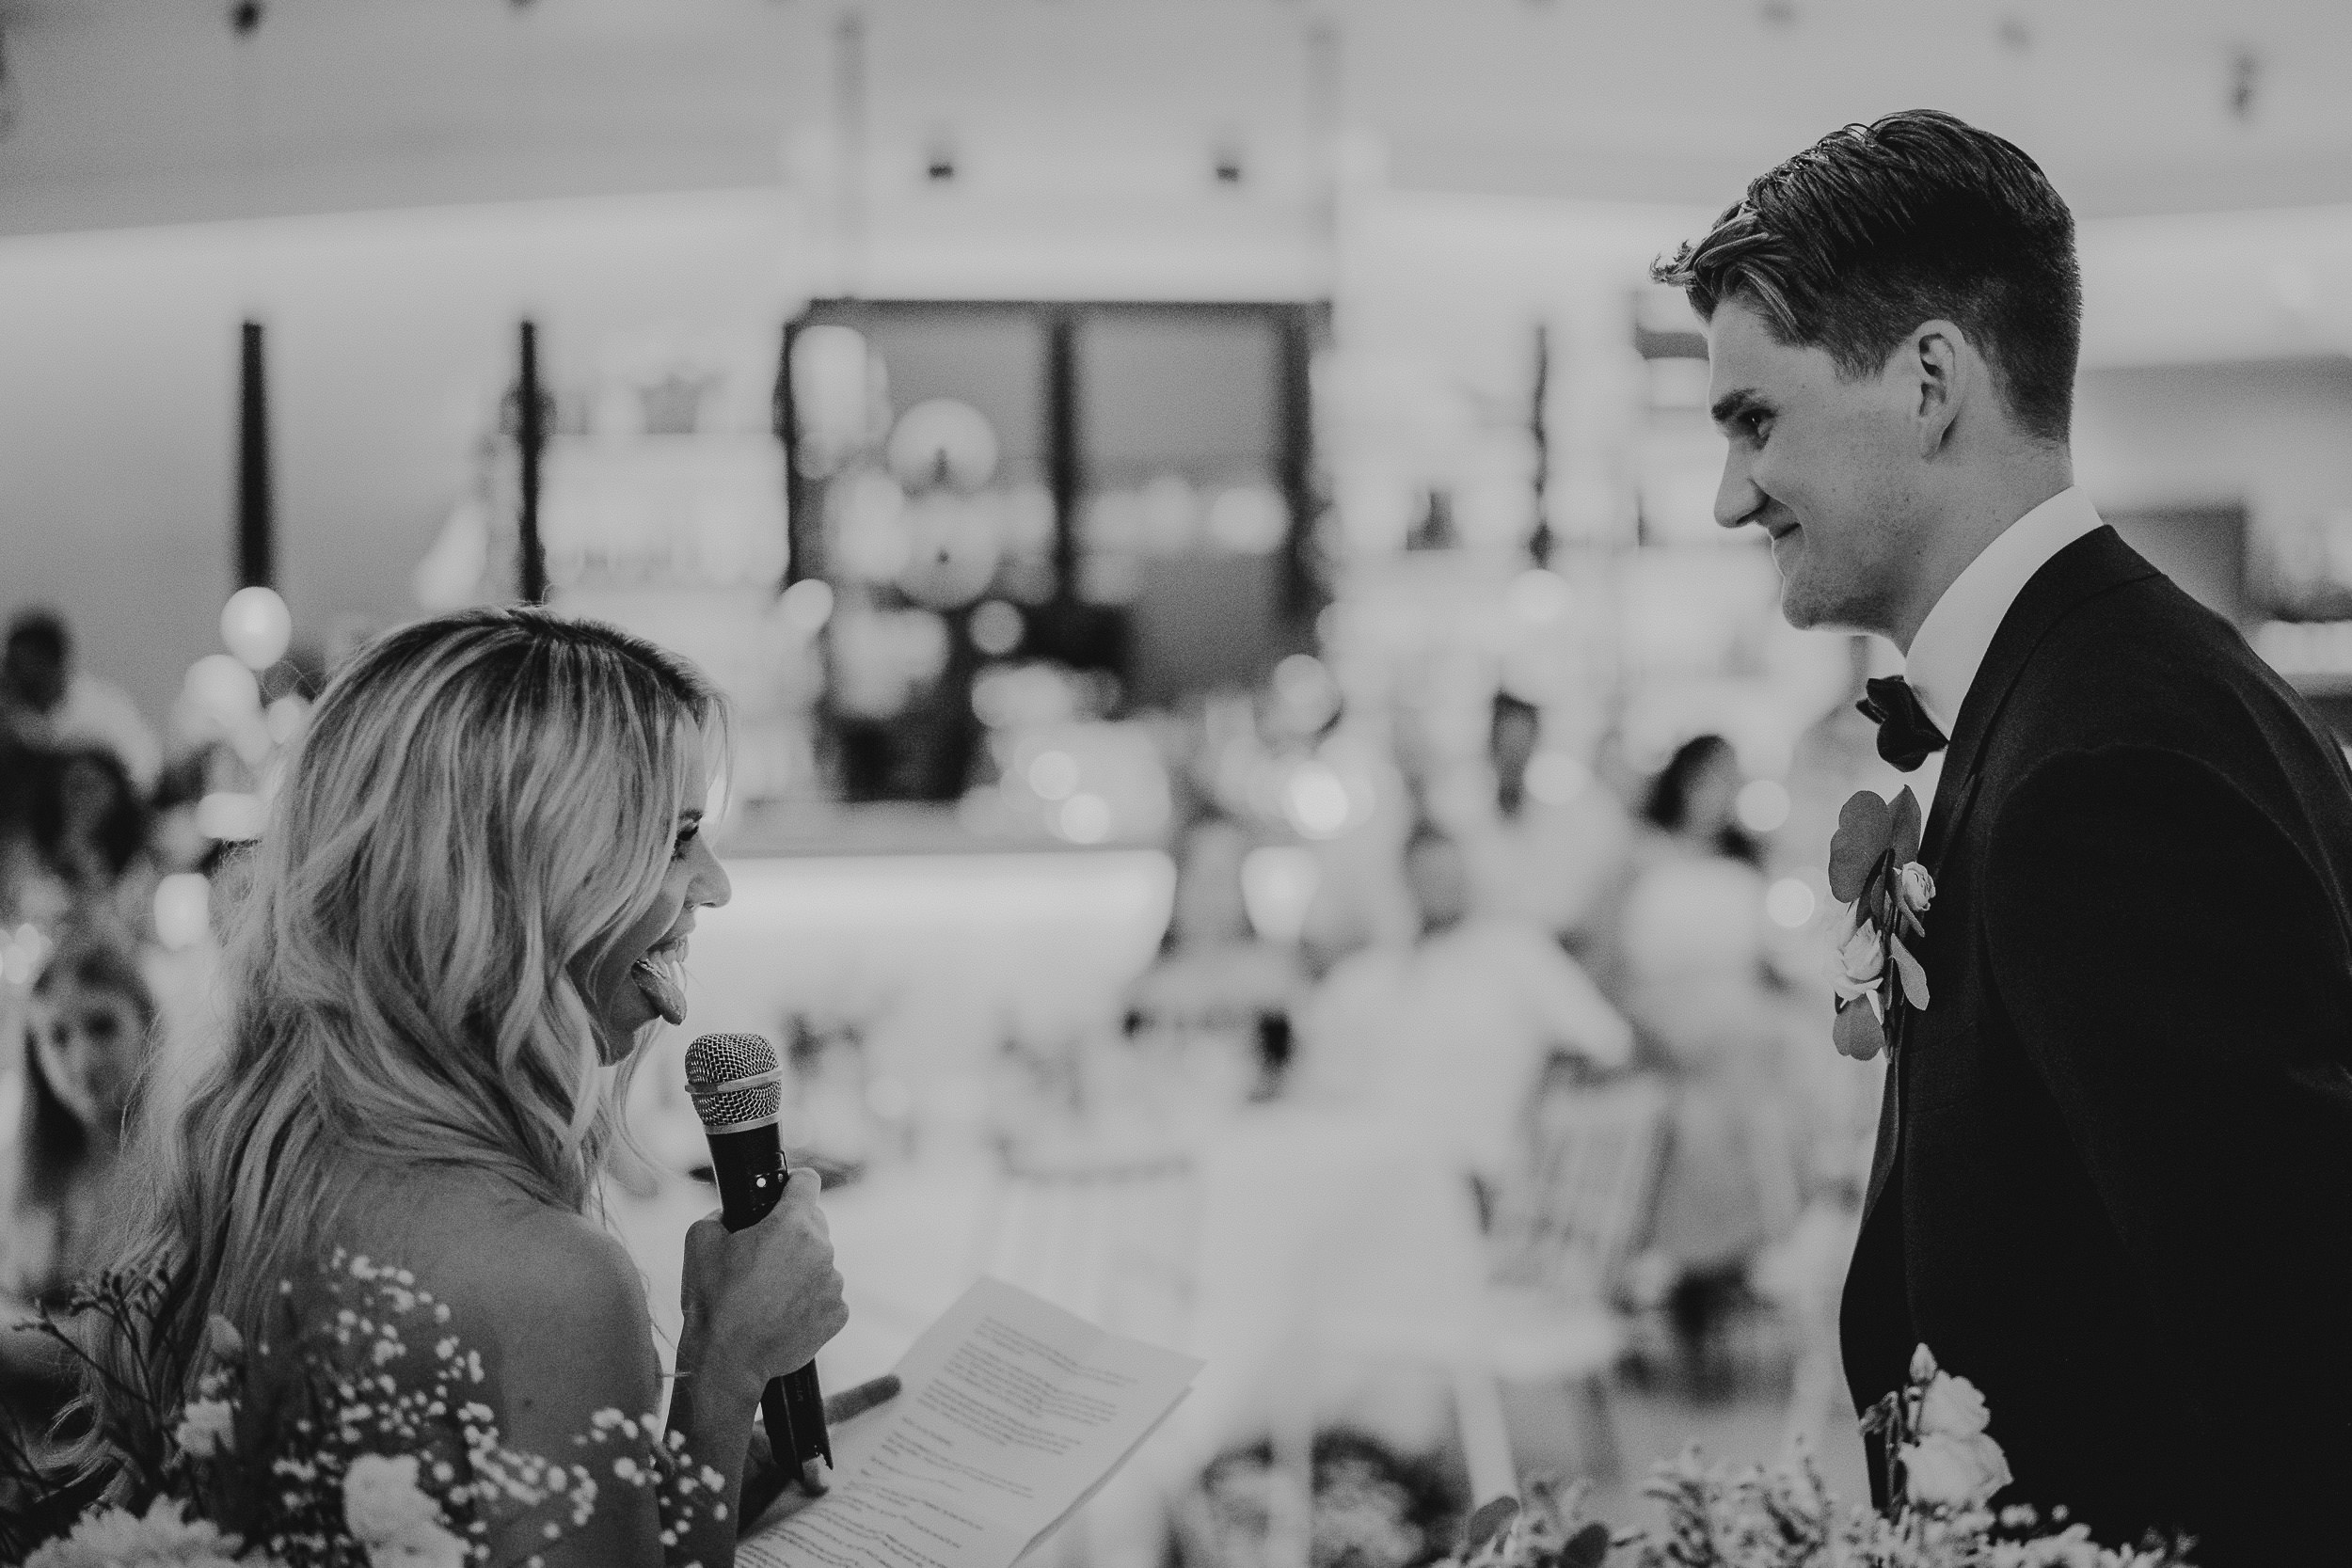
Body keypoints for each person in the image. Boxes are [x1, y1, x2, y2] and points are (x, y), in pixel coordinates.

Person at [1658, 109, 2352, 1562]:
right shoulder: (2093, 689)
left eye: (1754, 419)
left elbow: (2289, 1367)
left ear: (1928, 381)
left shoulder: (2104, 765)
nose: (1730, 495)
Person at [87, 609, 873, 1567]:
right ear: (530, 878)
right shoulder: (549, 1280)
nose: (714, 885)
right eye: (675, 839)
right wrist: (720, 1368)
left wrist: (679, 1481)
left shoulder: (243, 1179)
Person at [1296, 823, 1631, 1209]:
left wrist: (1548, 1108)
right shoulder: (1369, 977)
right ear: (1405, 882)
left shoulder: (1515, 951)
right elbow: (1319, 1084)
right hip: (1364, 1167)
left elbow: (1607, 1045)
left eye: (1449, 873)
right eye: (1428, 876)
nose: (1441, 886)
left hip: (1473, 1175)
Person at [1, 933, 160, 1425]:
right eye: (58, 1036)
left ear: (147, 1024)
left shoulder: (178, 1165)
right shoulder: (24, 1168)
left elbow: (144, 1344)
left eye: (101, 1026)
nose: (82, 1060)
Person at [1125, 812, 1308, 1099]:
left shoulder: (1277, 987)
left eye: (1225, 879)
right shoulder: (1145, 991)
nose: (1212, 896)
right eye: (1200, 877)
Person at [1453, 691, 1633, 965]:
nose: (1515, 752)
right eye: (1507, 740)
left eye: (1522, 740)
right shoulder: (1458, 817)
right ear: (1491, 743)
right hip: (1482, 961)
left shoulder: (1571, 818)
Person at [0, 610, 162, 798]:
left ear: (51, 665)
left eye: (21, 666)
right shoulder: (13, 712)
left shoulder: (104, 708)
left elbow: (144, 771)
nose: (11, 674)